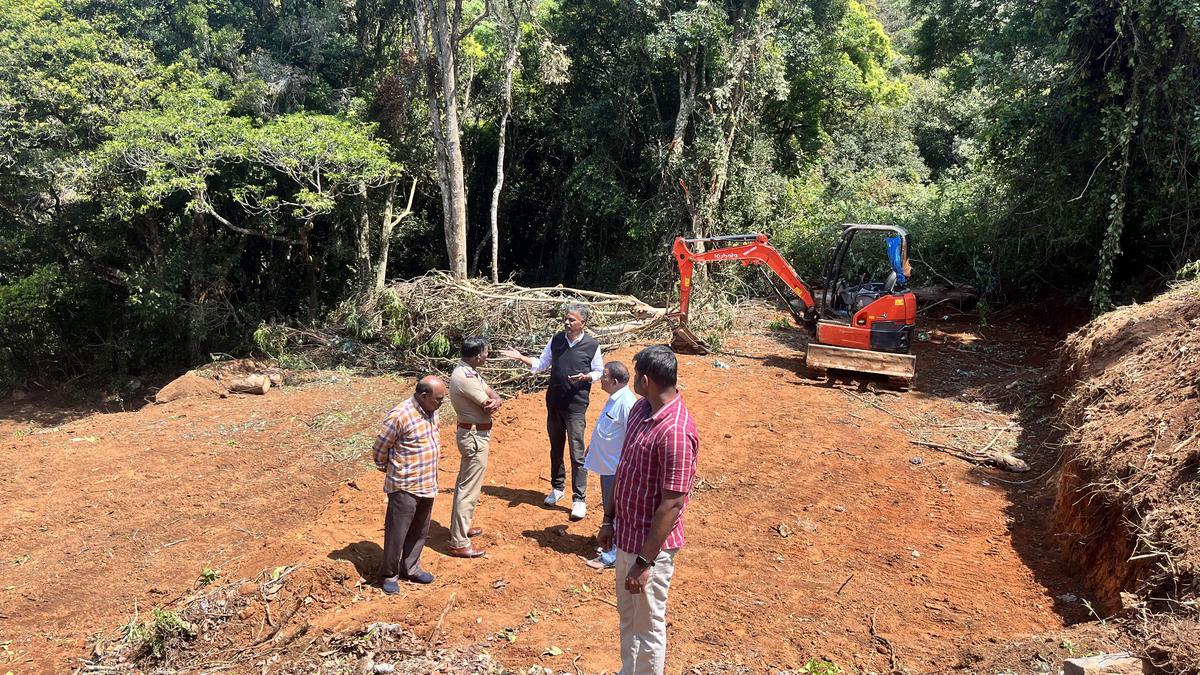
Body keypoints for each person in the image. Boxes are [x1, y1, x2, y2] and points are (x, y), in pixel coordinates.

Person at [597, 346, 698, 674]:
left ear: (645, 379)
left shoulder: (676, 433)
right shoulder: (641, 410)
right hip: (626, 535)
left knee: (649, 625)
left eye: (635, 374)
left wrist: (644, 562)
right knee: (627, 616)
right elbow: (623, 468)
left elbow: (672, 504)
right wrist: (608, 519)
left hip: (649, 550)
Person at [500, 303, 603, 521]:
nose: (567, 322)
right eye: (566, 319)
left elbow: (599, 371)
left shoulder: (592, 345)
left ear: (582, 323)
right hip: (554, 402)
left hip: (576, 405)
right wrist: (521, 358)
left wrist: (587, 377)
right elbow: (542, 363)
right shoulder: (556, 340)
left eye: (572, 320)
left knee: (577, 452)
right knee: (556, 447)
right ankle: (557, 488)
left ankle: (579, 499)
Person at [371, 375, 448, 591]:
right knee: (397, 532)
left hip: (427, 481)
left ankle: (411, 568)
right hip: (405, 484)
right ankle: (389, 575)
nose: (441, 403)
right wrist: (390, 467)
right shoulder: (401, 415)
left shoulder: (432, 410)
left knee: (420, 529)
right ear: (424, 396)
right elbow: (380, 448)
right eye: (438, 399)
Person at [446, 336, 502, 558]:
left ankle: (462, 528)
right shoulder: (465, 377)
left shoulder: (468, 371)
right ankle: (459, 542)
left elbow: (492, 394)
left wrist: (496, 398)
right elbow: (489, 403)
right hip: (474, 437)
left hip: (475, 434)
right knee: (468, 489)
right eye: (486, 352)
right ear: (478, 354)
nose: (487, 355)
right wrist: (495, 400)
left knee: (466, 485)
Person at [583, 361, 636, 570]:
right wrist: (593, 447)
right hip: (608, 466)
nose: (600, 380)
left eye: (603, 376)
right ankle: (610, 544)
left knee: (616, 510)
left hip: (617, 469)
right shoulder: (614, 399)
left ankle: (614, 555)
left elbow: (632, 437)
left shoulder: (626, 403)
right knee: (609, 507)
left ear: (614, 381)